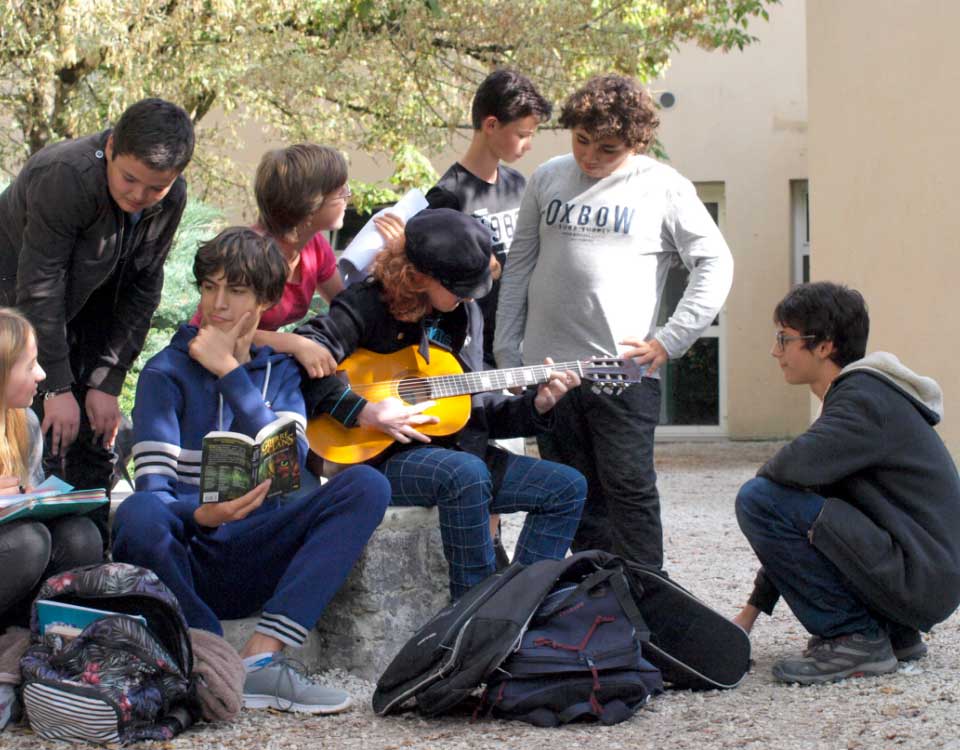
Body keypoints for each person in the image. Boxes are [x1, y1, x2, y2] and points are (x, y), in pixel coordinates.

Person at [111, 228, 390, 714]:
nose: (217, 304)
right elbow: (155, 491)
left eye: (235, 290)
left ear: (265, 299)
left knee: (366, 484)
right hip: (186, 559)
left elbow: (287, 466)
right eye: (209, 287)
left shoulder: (278, 371)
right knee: (136, 511)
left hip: (258, 549)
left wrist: (230, 375)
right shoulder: (165, 372)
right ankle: (209, 654)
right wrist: (202, 516)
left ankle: (261, 660)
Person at [494, 74, 734, 570]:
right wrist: (505, 352)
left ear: (637, 142)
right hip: (548, 373)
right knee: (573, 493)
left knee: (629, 493)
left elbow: (715, 263)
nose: (590, 157)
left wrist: (670, 340)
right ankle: (597, 604)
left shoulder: (664, 186)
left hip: (621, 373)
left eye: (607, 148)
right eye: (581, 141)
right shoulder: (547, 177)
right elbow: (519, 266)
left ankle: (650, 603)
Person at [296, 208, 587, 600]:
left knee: (566, 487)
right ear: (418, 276)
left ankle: (522, 605)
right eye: (461, 287)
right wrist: (363, 410)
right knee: (466, 473)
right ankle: (474, 612)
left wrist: (538, 405)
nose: (470, 296)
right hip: (378, 458)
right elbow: (305, 362)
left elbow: (473, 408)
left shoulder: (463, 314)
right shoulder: (365, 304)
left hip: (454, 452)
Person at [733, 282, 960, 685]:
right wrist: (750, 611)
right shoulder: (862, 399)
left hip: (920, 577)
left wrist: (777, 485)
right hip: (924, 576)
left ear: (824, 346)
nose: (775, 351)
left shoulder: (862, 400)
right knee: (778, 500)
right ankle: (891, 633)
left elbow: (780, 482)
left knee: (758, 498)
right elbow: (799, 521)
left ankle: (854, 637)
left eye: (785, 339)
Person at [0, 98, 195, 542]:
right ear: (110, 147)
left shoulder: (169, 198)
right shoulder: (65, 177)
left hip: (85, 316)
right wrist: (56, 388)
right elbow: (39, 288)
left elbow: (142, 287)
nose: (138, 196)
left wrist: (107, 381)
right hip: (13, 317)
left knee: (96, 442)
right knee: (43, 435)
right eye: (129, 179)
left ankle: (84, 562)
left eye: (155, 188)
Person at [0, 309, 102, 728]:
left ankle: (51, 651)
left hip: (16, 579)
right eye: (30, 365)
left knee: (81, 535)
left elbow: (30, 500)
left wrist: (39, 497)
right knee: (29, 543)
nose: (42, 374)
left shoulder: (24, 422)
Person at [426, 69, 552, 369]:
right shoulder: (447, 196)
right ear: (491, 125)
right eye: (522, 135)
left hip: (522, 340)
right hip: (474, 350)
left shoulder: (518, 184)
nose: (528, 145)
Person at [188, 144, 347, 378]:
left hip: (251, 362)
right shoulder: (250, 256)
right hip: (207, 364)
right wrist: (296, 343)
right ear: (310, 207)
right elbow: (215, 329)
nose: (347, 196)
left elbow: (344, 304)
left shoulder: (315, 247)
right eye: (339, 192)